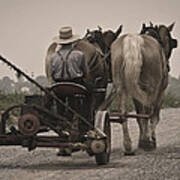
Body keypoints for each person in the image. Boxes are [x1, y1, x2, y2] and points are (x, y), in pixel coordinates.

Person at [50, 26, 90, 156]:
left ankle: (62, 124)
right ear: (73, 41)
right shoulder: (79, 54)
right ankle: (86, 122)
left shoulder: (53, 57)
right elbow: (85, 72)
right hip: (75, 85)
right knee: (89, 96)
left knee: (60, 106)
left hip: (58, 87)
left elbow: (52, 74)